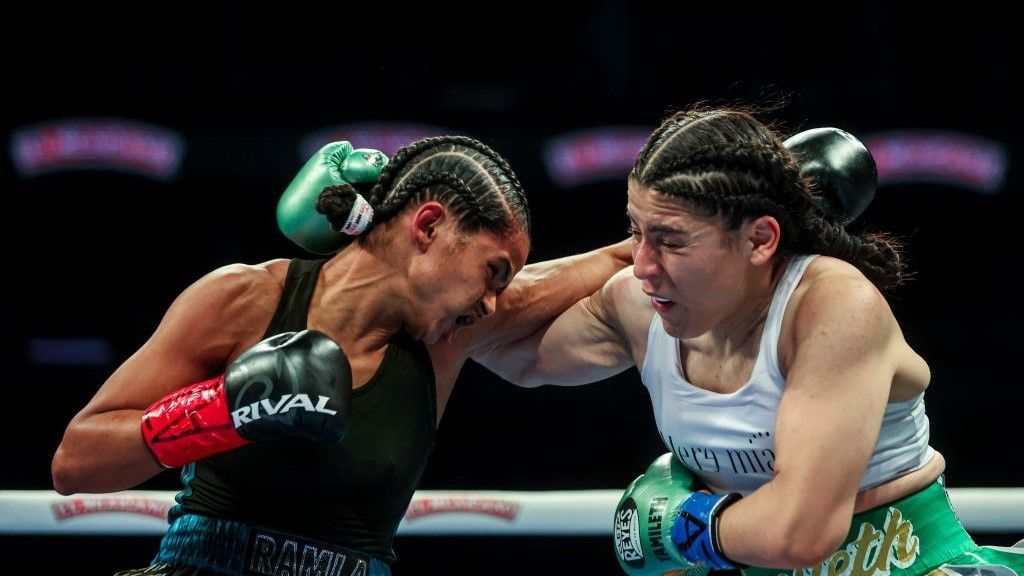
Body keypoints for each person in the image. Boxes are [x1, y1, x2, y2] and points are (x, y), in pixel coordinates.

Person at [477, 105, 1023, 576]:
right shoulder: (639, 300)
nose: (644, 266)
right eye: (635, 232)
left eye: (670, 240)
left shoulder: (831, 306)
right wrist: (620, 254)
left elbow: (800, 531)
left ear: (760, 240)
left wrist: (677, 527)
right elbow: (483, 331)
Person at [51, 135, 633, 576]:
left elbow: (615, 260)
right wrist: (220, 412)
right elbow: (76, 462)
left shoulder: (445, 339)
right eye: (492, 271)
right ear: (428, 226)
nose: (490, 302)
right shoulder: (245, 299)